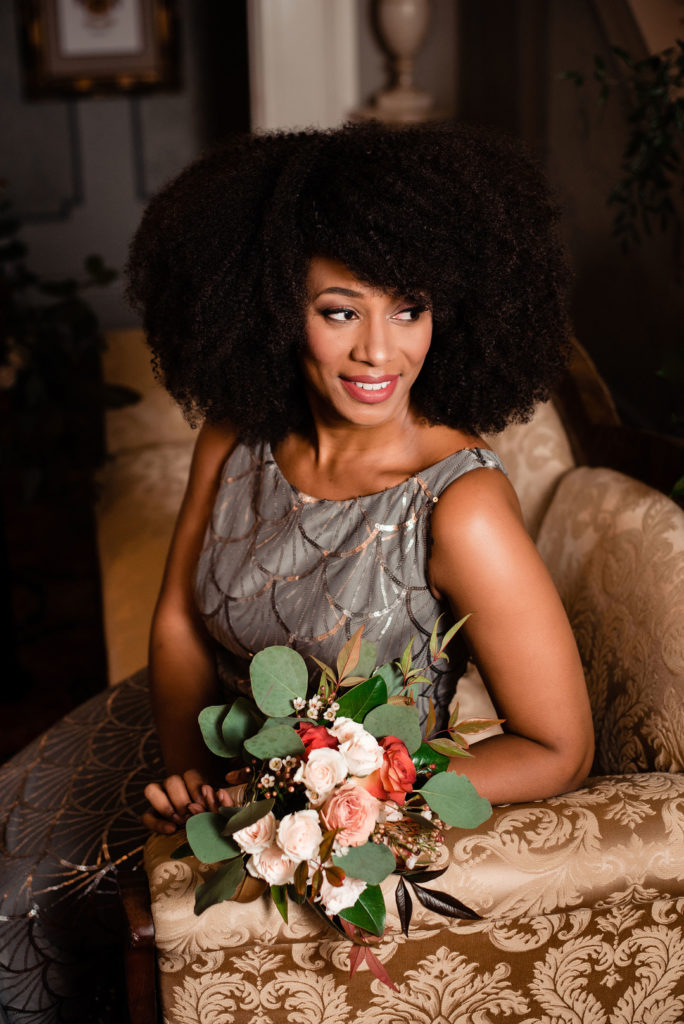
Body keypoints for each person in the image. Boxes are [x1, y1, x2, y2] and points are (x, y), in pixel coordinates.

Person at [0, 121, 594, 1023]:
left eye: (410, 308)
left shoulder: (457, 506)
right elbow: (175, 622)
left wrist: (357, 794)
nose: (379, 353)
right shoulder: (236, 433)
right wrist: (188, 776)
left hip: (300, 825)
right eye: (340, 309)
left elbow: (560, 746)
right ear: (277, 308)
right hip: (169, 743)